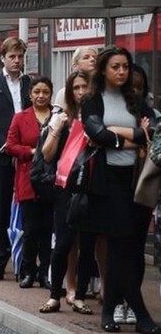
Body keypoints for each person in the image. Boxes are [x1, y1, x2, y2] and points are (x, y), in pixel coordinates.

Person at [80, 45, 159, 333]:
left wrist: (122, 134)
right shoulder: (92, 100)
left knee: (129, 249)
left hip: (137, 180)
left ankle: (108, 313)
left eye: (125, 66)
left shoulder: (135, 99)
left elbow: (152, 131)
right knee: (120, 245)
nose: (122, 72)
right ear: (103, 70)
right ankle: (141, 315)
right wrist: (135, 135)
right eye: (115, 67)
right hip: (106, 182)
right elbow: (96, 134)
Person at [38, 70, 96, 315]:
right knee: (63, 243)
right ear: (69, 92)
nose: (82, 92)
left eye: (86, 87)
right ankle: (55, 296)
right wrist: (58, 129)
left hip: (93, 188)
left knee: (88, 245)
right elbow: (47, 155)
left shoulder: (97, 118)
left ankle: (80, 295)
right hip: (66, 189)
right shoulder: (61, 118)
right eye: (77, 87)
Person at [0, 37, 31, 282]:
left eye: (20, 56)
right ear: (2, 58)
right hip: (0, 156)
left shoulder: (30, 83)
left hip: (26, 157)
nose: (17, 61)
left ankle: (28, 265)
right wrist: (5, 145)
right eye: (12, 56)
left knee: (30, 210)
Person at [5, 77, 54, 289]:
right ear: (30, 95)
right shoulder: (20, 117)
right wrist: (32, 152)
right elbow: (10, 145)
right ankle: (27, 271)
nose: (41, 96)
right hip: (28, 178)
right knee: (30, 229)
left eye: (45, 92)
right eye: (37, 92)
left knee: (48, 229)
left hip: (51, 180)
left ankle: (46, 272)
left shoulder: (58, 116)